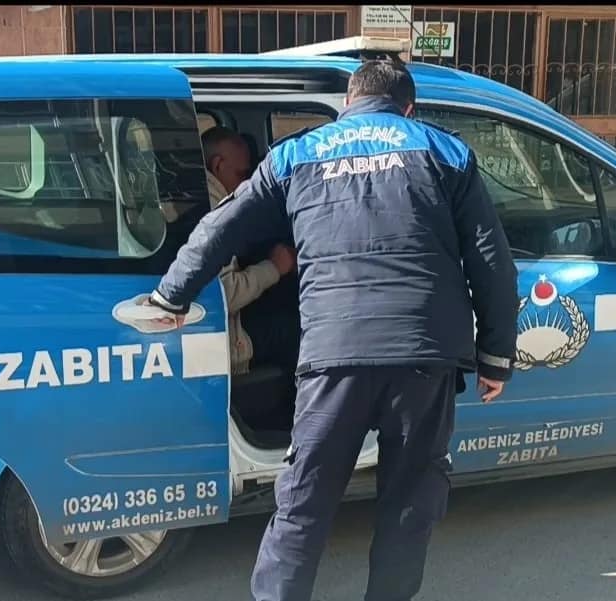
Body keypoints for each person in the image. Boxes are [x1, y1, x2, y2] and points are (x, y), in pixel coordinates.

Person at [147, 60, 519, 601]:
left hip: (333, 356)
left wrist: (172, 294)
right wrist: (496, 356)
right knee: (409, 502)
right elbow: (493, 262)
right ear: (408, 108)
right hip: (422, 356)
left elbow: (221, 227)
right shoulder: (446, 152)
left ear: (349, 102)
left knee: (303, 503)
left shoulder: (296, 154)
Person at [200, 126, 298, 376]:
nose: (247, 185)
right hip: (227, 343)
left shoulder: (198, 196)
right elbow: (222, 296)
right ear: (218, 165)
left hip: (225, 328)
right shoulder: (214, 210)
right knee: (298, 328)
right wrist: (275, 267)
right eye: (243, 174)